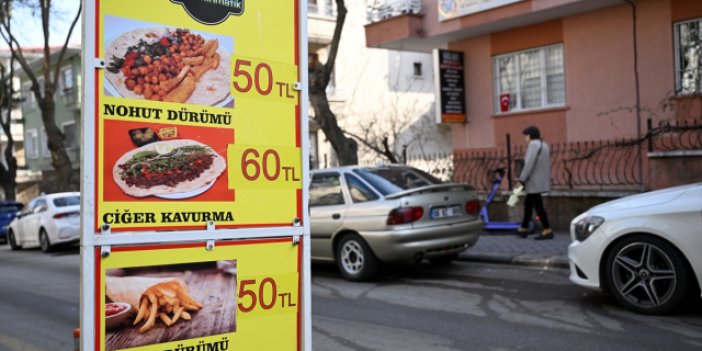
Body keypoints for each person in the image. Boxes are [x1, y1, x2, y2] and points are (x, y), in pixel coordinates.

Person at [516, 126, 553, 240]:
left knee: (538, 206)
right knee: (528, 204)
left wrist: (521, 179)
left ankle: (547, 230)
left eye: (525, 136)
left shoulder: (533, 145)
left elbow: (529, 164)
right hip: (541, 180)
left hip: (533, 182)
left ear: (530, 135)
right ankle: (523, 228)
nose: (525, 139)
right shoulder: (544, 144)